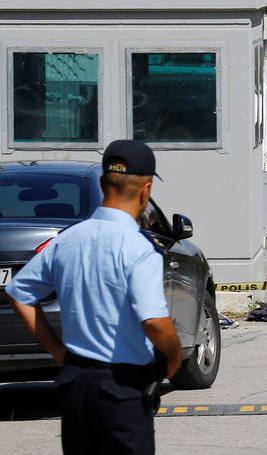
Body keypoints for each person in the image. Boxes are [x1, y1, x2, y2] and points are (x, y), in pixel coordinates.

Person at [6, 140, 183, 455]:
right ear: (146, 190)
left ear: (103, 183)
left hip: (75, 384)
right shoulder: (139, 248)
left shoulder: (67, 241)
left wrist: (58, 352)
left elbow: (20, 294)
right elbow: (153, 321)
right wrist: (174, 356)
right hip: (122, 387)